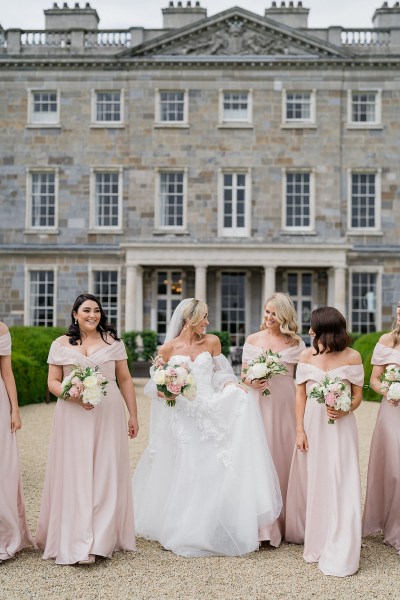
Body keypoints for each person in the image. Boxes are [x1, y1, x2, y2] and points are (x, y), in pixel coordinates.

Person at [132, 298, 282, 557]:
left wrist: (229, 386)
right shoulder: (168, 349)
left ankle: (211, 525)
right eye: (204, 317)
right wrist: (166, 393)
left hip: (209, 407)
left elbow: (222, 374)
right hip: (183, 414)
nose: (208, 322)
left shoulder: (212, 342)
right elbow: (156, 386)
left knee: (213, 465)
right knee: (189, 466)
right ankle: (184, 527)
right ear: (190, 319)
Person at [36, 293, 138, 565]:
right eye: (86, 310)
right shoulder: (59, 344)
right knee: (75, 472)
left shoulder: (113, 343)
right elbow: (53, 382)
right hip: (72, 413)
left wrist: (133, 415)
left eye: (96, 310)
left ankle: (100, 542)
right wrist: (72, 395)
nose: (92, 315)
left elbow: (125, 379)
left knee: (105, 471)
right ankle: (75, 536)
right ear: (75, 314)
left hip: (108, 412)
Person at [285, 307, 364, 577]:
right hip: (312, 427)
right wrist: (299, 430)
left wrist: (346, 409)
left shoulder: (352, 356)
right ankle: (318, 539)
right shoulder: (306, 355)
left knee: (342, 479)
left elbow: (357, 397)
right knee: (317, 479)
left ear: (326, 330)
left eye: (313, 327)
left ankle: (343, 543)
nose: (309, 331)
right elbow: (300, 396)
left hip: (341, 429)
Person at [241, 293, 305, 547]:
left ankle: (286, 520)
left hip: (286, 405)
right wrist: (251, 381)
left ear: (285, 315)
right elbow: (244, 375)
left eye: (274, 313)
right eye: (267, 312)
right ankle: (262, 526)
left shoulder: (296, 343)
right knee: (258, 456)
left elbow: (303, 379)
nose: (269, 317)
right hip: (258, 403)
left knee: (283, 456)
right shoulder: (252, 340)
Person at [362, 300, 400, 555]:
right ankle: (393, 525)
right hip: (393, 410)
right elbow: (374, 381)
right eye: (398, 310)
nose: (399, 314)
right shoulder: (387, 341)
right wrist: (390, 390)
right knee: (395, 469)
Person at [0, 321, 33, 561]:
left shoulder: (1, 329)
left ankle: (5, 535)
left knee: (3, 467)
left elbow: (7, 372)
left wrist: (15, 410)